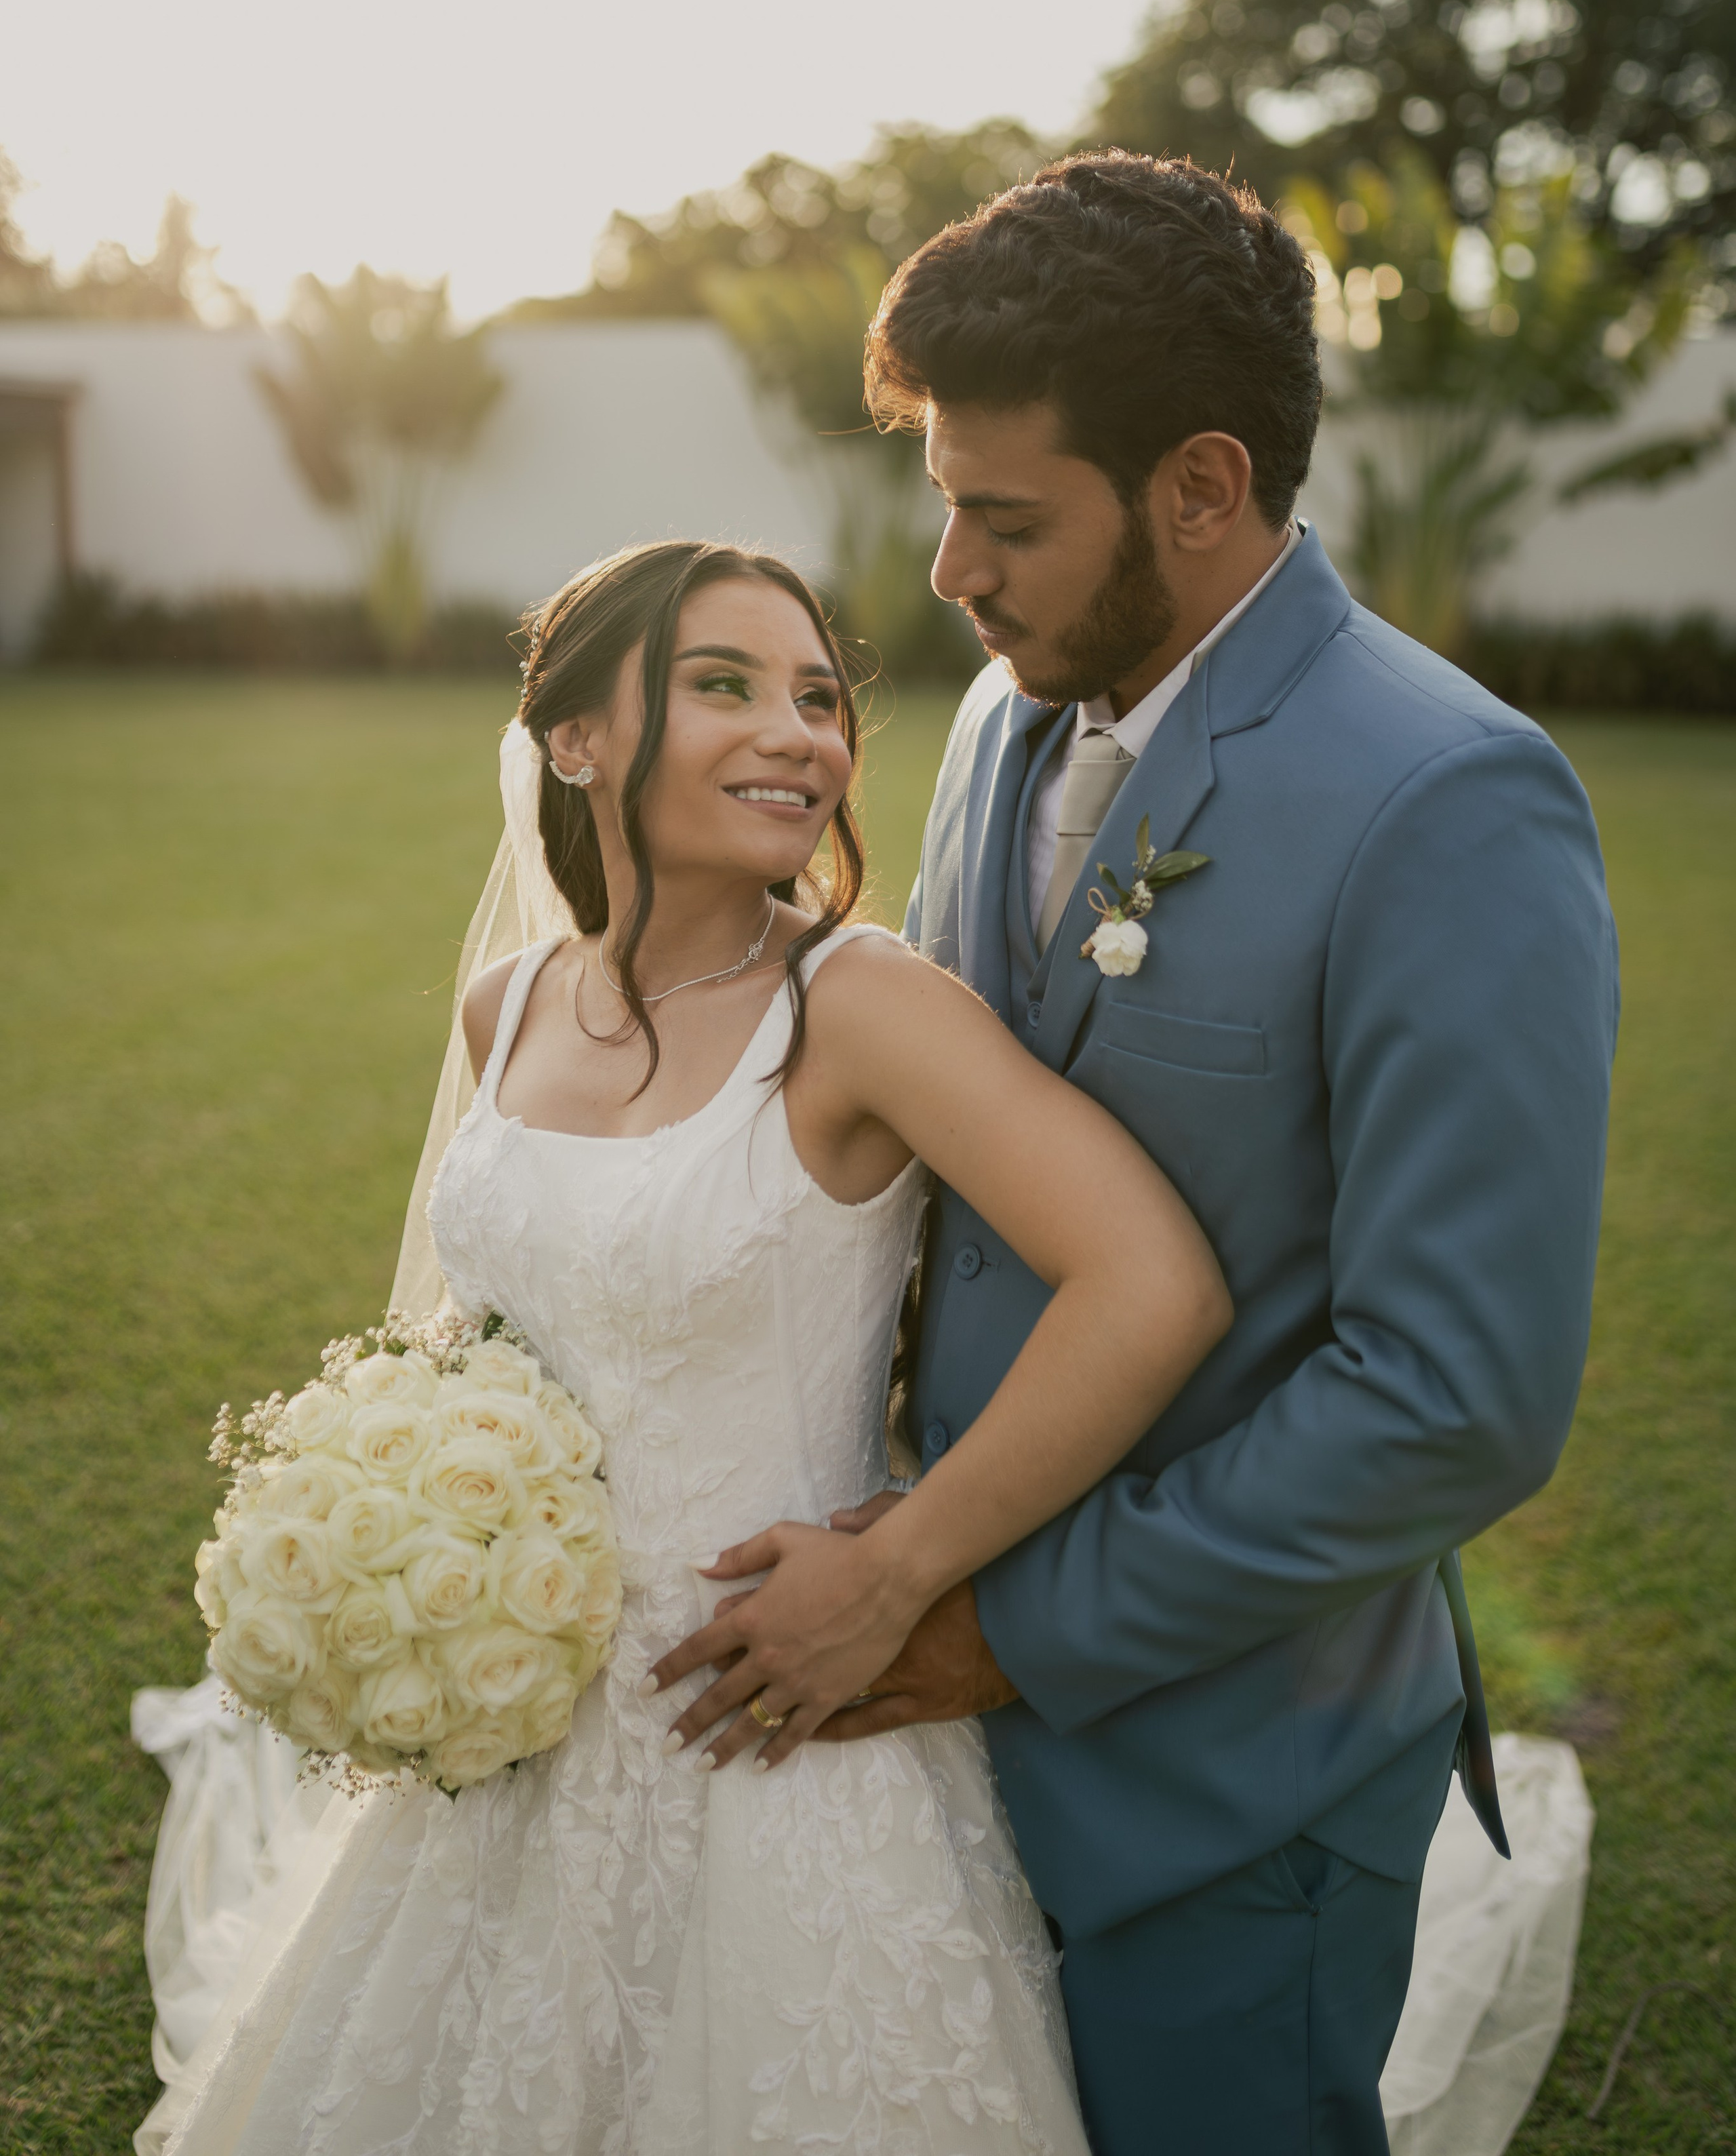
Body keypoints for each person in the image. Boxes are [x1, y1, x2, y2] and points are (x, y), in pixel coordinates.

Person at [652, 153, 1620, 2155]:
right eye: (944, 504)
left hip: (1230, 1783)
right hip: (929, 1729)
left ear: (1203, 483)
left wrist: (989, 1629)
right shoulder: (1025, 713)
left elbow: (1454, 1402)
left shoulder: (1452, 803)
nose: (946, 576)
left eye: (1003, 520)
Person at [137, 536, 1229, 2156]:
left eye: (816, 697)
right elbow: (476, 1341)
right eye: (723, 686)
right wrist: (411, 1535)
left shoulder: (857, 1007)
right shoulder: (504, 1007)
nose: (796, 733)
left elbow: (1151, 1285)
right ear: (571, 739)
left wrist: (898, 1568)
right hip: (516, 1700)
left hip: (776, 1703)